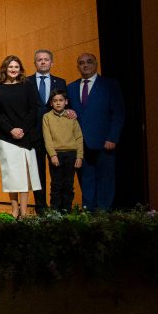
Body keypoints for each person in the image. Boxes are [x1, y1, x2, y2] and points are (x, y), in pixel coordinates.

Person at [67, 53, 125, 210]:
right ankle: (89, 212)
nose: (85, 65)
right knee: (86, 179)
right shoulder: (70, 88)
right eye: (81, 63)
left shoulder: (110, 85)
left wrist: (112, 137)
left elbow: (118, 113)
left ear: (96, 64)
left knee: (105, 179)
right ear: (77, 66)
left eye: (89, 62)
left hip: (104, 142)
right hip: (80, 144)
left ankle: (103, 213)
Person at [0, 55, 42, 218]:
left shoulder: (28, 85)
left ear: (20, 70)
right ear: (4, 69)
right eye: (10, 67)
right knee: (12, 174)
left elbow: (33, 109)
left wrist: (22, 129)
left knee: (25, 174)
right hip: (6, 138)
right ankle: (14, 210)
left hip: (26, 137)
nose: (13, 69)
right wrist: (11, 130)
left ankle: (24, 211)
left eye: (16, 67)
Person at [28, 49, 68, 214]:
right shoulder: (26, 82)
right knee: (38, 173)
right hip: (34, 134)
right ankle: (41, 208)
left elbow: (66, 105)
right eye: (39, 60)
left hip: (56, 135)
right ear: (35, 63)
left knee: (57, 172)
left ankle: (57, 207)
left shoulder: (61, 82)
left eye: (46, 60)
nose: (43, 62)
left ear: (52, 63)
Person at [42, 89, 83, 212]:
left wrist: (79, 156)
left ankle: (67, 211)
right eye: (55, 101)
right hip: (56, 155)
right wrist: (52, 155)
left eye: (61, 100)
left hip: (71, 154)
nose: (58, 103)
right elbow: (47, 138)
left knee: (68, 184)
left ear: (66, 102)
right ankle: (55, 212)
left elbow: (79, 137)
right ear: (51, 103)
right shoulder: (47, 117)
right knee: (56, 184)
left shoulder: (71, 117)